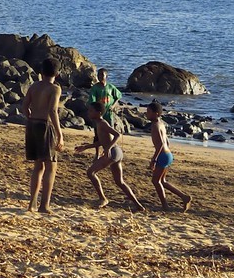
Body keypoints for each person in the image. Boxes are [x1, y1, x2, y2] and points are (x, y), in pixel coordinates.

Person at [74, 99, 145, 211]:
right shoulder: (97, 124)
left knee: (90, 172)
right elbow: (101, 141)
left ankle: (103, 198)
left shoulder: (102, 123)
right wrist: (86, 147)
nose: (88, 113)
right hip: (116, 153)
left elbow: (117, 135)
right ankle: (138, 205)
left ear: (99, 113)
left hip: (113, 152)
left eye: (91, 111)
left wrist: (108, 148)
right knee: (119, 182)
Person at [22, 58, 64, 213]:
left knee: (38, 165)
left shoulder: (34, 86)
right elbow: (53, 111)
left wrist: (29, 116)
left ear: (41, 72)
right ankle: (44, 204)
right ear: (57, 74)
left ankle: (32, 202)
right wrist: (60, 134)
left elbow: (25, 106)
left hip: (32, 124)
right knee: (51, 166)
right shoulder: (55, 89)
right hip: (44, 125)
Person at [145, 102, 194, 211]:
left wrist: (154, 159)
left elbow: (161, 144)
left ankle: (165, 206)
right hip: (168, 154)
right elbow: (167, 142)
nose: (146, 114)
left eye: (149, 112)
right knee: (162, 181)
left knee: (156, 181)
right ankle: (184, 197)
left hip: (162, 155)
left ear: (156, 113)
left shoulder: (155, 126)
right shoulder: (161, 124)